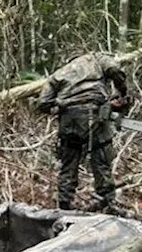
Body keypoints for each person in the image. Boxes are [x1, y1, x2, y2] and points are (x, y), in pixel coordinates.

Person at [37, 52, 129, 212]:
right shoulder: (97, 58)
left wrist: (60, 107)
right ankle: (107, 200)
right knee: (101, 160)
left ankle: (64, 203)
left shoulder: (59, 73)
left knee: (69, 162)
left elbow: (43, 103)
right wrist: (122, 91)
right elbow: (114, 70)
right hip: (95, 114)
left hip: (70, 120)